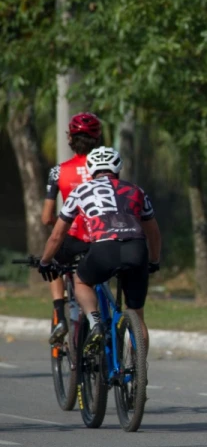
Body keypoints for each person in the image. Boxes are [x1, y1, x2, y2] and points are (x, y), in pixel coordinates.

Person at [38, 147, 161, 352]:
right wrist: (154, 261)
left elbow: (57, 235)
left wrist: (45, 261)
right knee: (137, 314)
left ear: (91, 169)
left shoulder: (81, 191)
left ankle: (94, 321)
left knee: (82, 279)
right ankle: (139, 374)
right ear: (118, 169)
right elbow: (154, 233)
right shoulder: (137, 190)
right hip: (136, 249)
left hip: (103, 248)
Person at [42, 112, 103, 343]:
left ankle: (59, 314)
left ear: (70, 139)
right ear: (97, 139)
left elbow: (46, 217)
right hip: (103, 238)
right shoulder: (106, 169)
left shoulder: (58, 171)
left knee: (51, 259)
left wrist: (64, 221)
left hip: (73, 238)